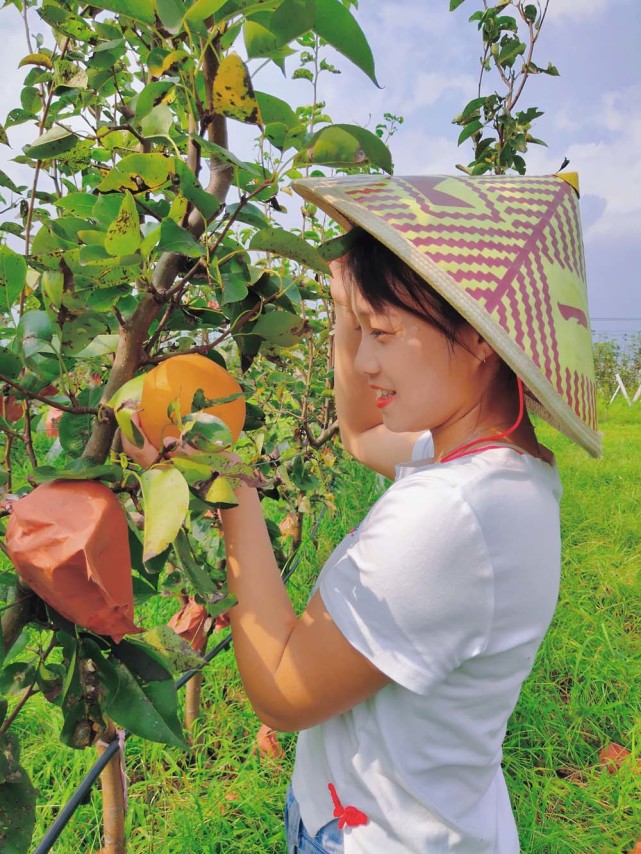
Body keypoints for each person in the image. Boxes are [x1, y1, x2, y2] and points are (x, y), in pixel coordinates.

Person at [129, 173, 600, 852]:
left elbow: (283, 695)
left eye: (381, 332)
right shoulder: (493, 473)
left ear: (476, 338)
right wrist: (350, 304)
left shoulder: (451, 515)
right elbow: (360, 435)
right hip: (399, 816)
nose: (363, 358)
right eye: (361, 329)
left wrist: (226, 485)